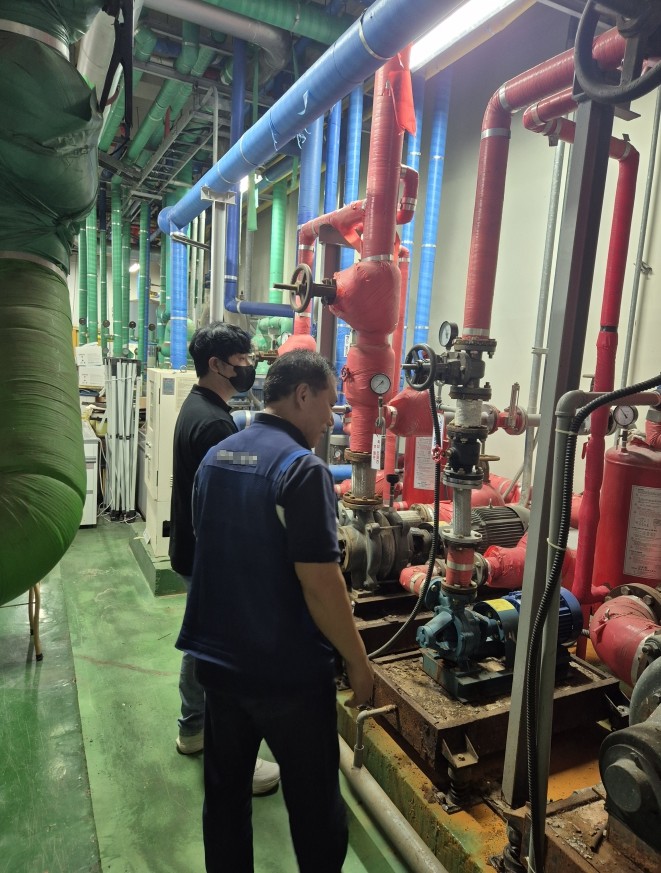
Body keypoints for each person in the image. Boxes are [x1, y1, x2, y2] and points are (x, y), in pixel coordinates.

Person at [176, 350, 374, 873]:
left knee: (225, 799)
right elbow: (321, 584)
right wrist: (358, 662)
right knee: (315, 810)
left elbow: (209, 547)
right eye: (329, 404)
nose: (331, 419)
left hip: (218, 666)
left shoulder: (215, 457)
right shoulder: (303, 470)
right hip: (286, 676)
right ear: (302, 395)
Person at [169, 322, 280, 796]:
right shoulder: (215, 424)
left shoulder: (197, 408)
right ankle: (231, 755)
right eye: (242, 360)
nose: (249, 367)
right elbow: (225, 504)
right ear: (216, 365)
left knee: (201, 644)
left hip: (192, 550)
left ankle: (193, 729)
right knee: (225, 657)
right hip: (211, 557)